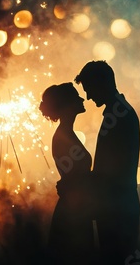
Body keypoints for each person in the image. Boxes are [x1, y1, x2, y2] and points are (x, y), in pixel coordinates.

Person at [74, 60, 140, 264]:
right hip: (119, 207)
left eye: (89, 89)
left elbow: (112, 170)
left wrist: (79, 184)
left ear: (102, 83)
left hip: (116, 210)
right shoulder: (120, 112)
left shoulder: (119, 116)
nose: (88, 96)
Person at [39, 82, 97, 265]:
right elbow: (75, 179)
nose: (82, 98)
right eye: (76, 96)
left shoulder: (66, 133)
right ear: (67, 104)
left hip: (75, 209)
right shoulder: (63, 136)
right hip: (74, 212)